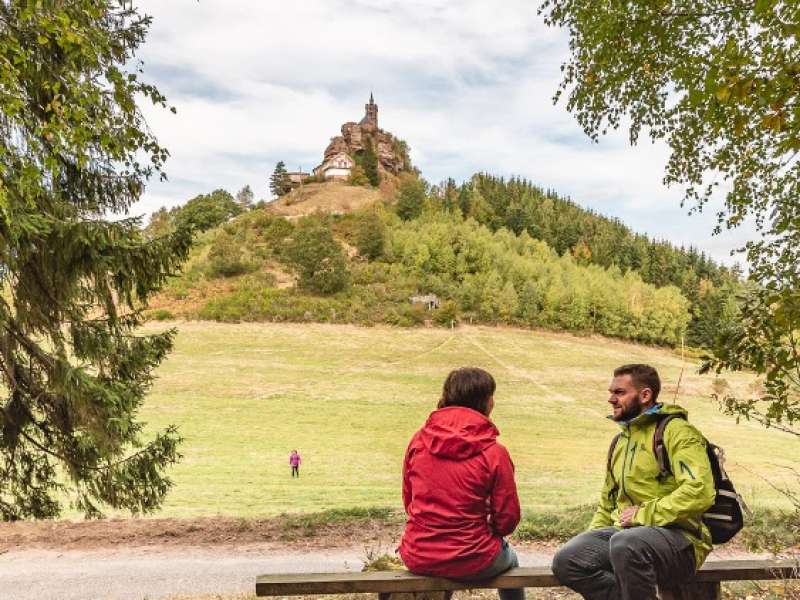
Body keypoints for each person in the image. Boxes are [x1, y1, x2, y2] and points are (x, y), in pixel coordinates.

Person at [552, 364, 716, 600]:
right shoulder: (620, 441)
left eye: (619, 393)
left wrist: (643, 515)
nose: (611, 399)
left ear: (645, 395)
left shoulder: (677, 432)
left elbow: (700, 491)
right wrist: (593, 542)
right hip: (626, 539)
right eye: (611, 392)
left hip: (681, 542)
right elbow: (608, 502)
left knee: (626, 543)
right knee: (569, 559)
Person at [399, 367, 524, 600]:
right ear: (486, 402)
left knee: (444, 567)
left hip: (418, 554)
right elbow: (507, 520)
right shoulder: (494, 452)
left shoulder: (419, 440)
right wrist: (486, 531)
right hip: (475, 558)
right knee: (512, 560)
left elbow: (409, 499)